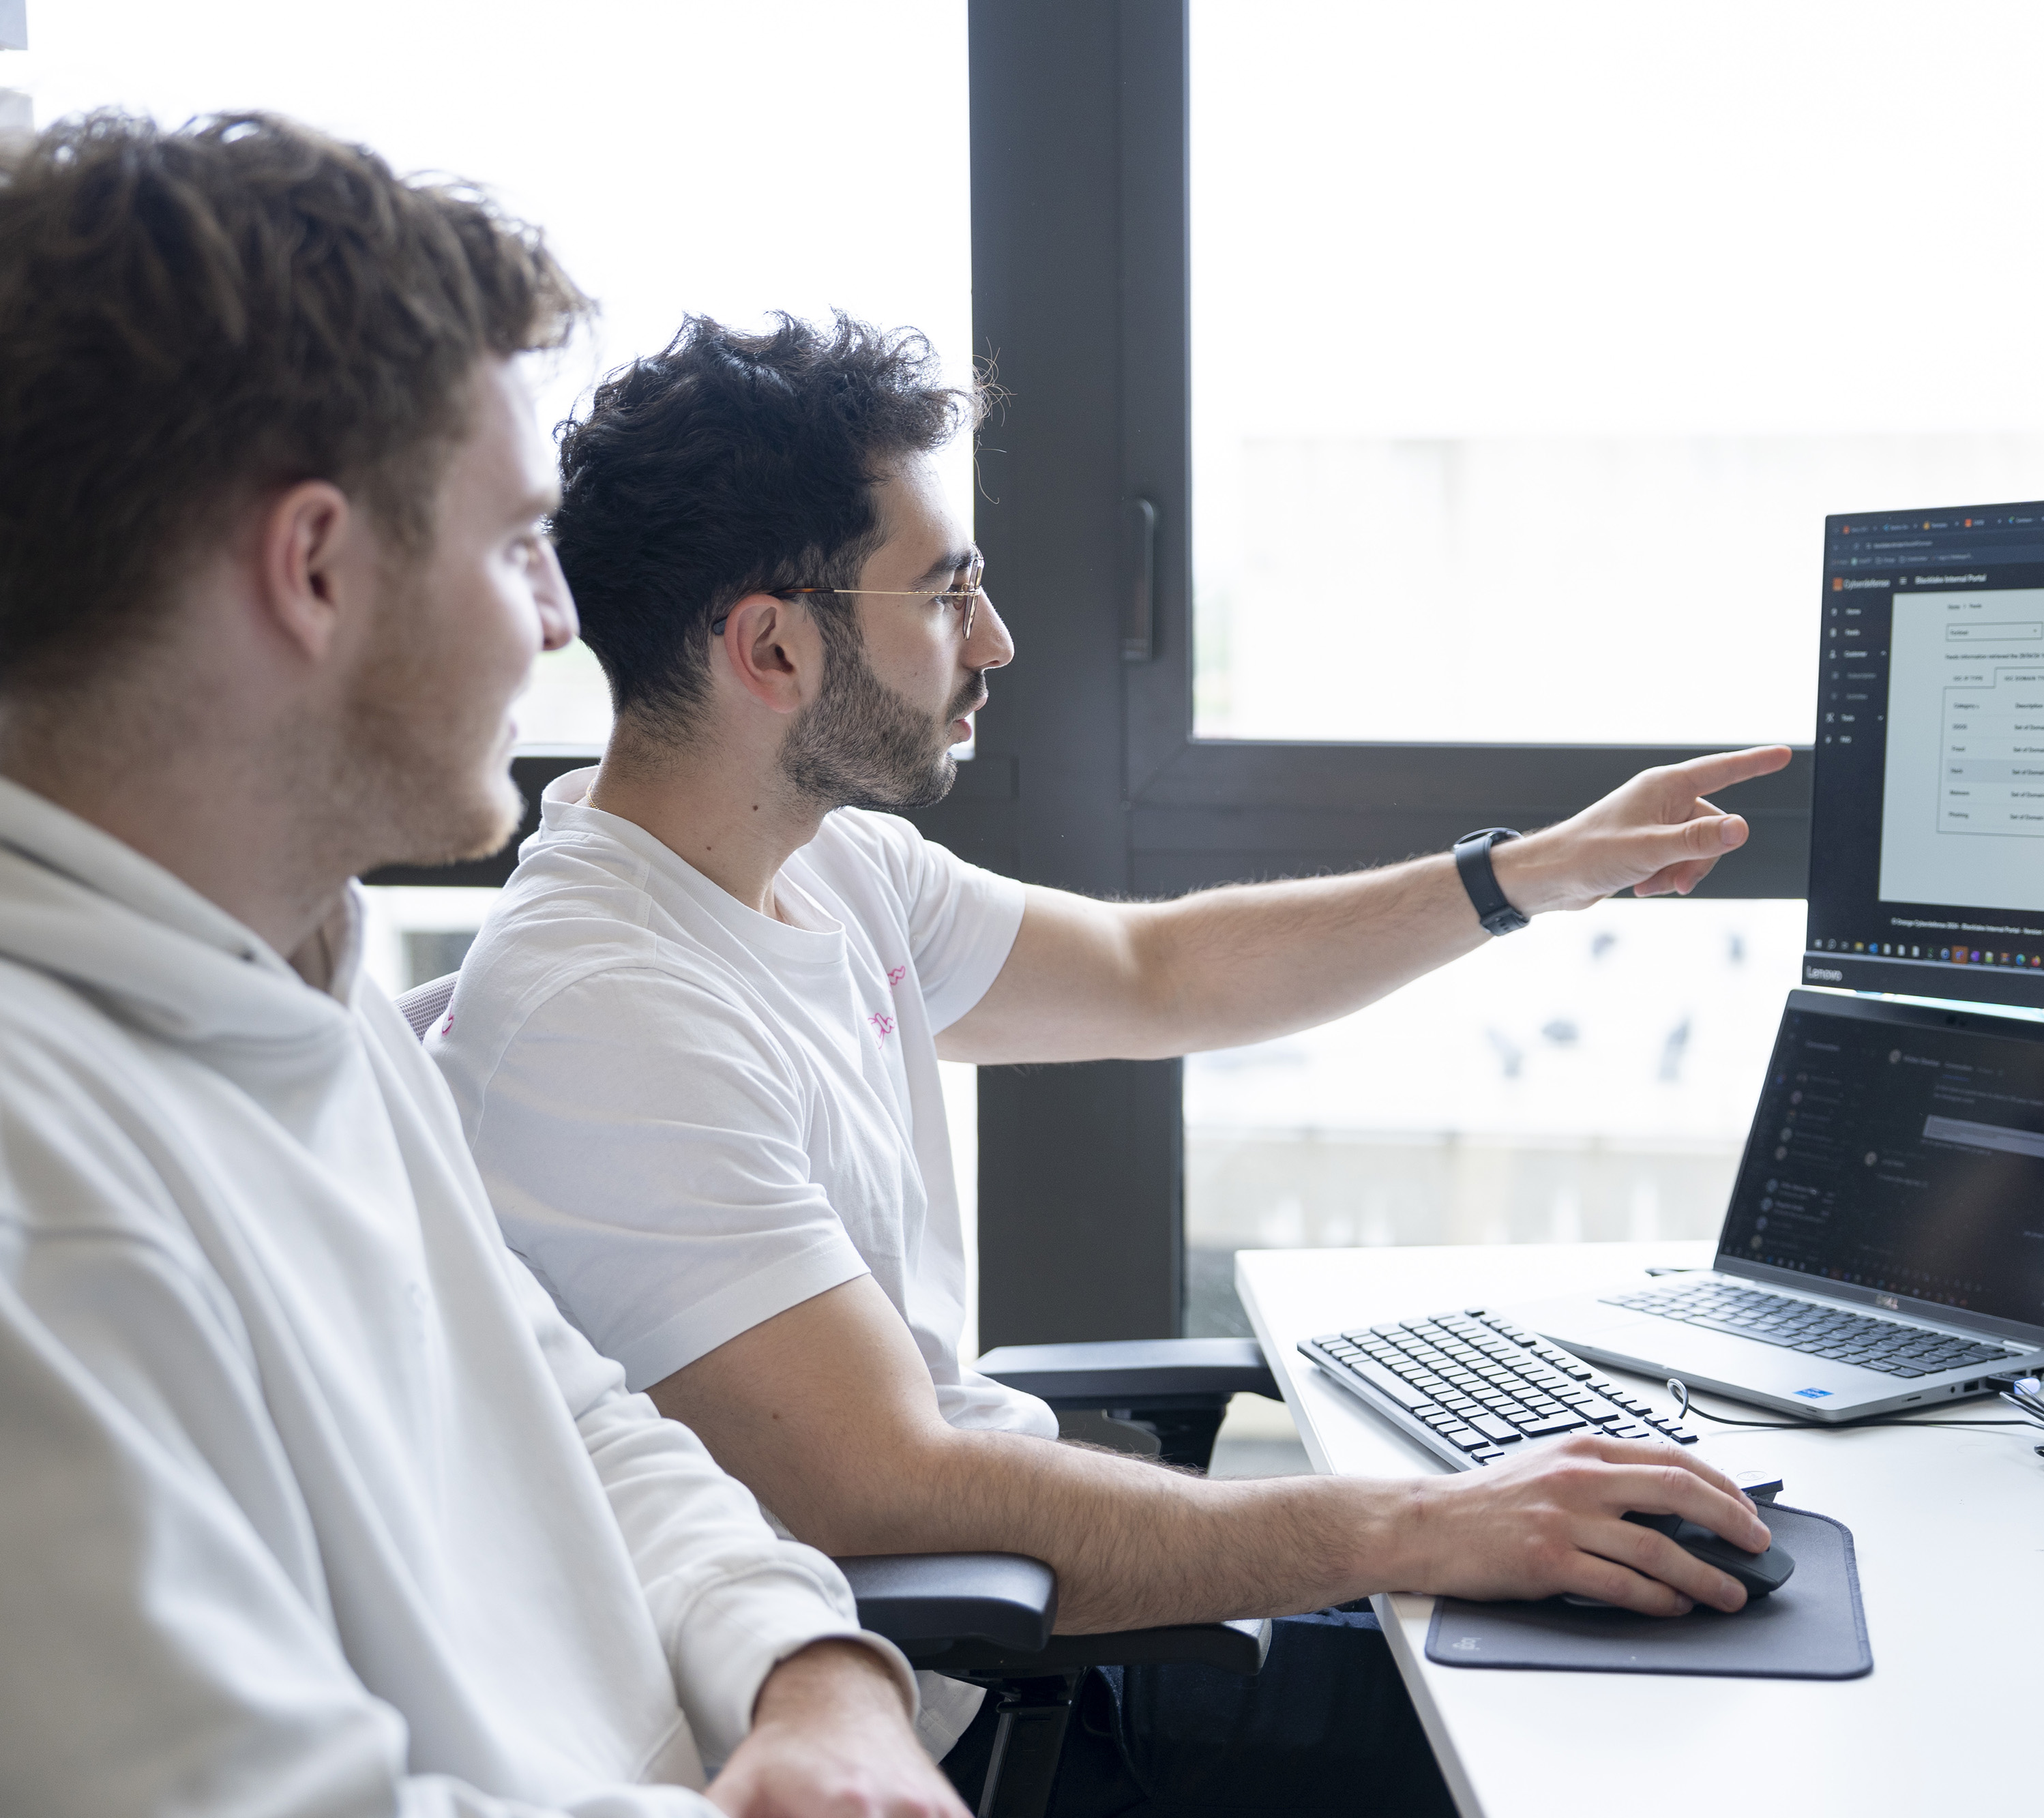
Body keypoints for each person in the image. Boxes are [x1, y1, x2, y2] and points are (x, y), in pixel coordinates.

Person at [429, 311, 1792, 1813]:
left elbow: (1161, 972)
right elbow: (888, 1488)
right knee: (1644, 1734)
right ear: (771, 646)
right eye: (949, 595)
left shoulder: (837, 870)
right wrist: (1412, 1524)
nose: (996, 641)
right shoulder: (608, 1012)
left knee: (1647, 1632)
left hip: (1041, 1621)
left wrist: (1524, 874)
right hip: (967, 1711)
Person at [0, 117, 966, 1817]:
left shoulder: (305, 987)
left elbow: (575, 1410)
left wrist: (809, 1675)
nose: (553, 621)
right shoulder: (46, 1193)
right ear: (313, 570)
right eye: (520, 542)